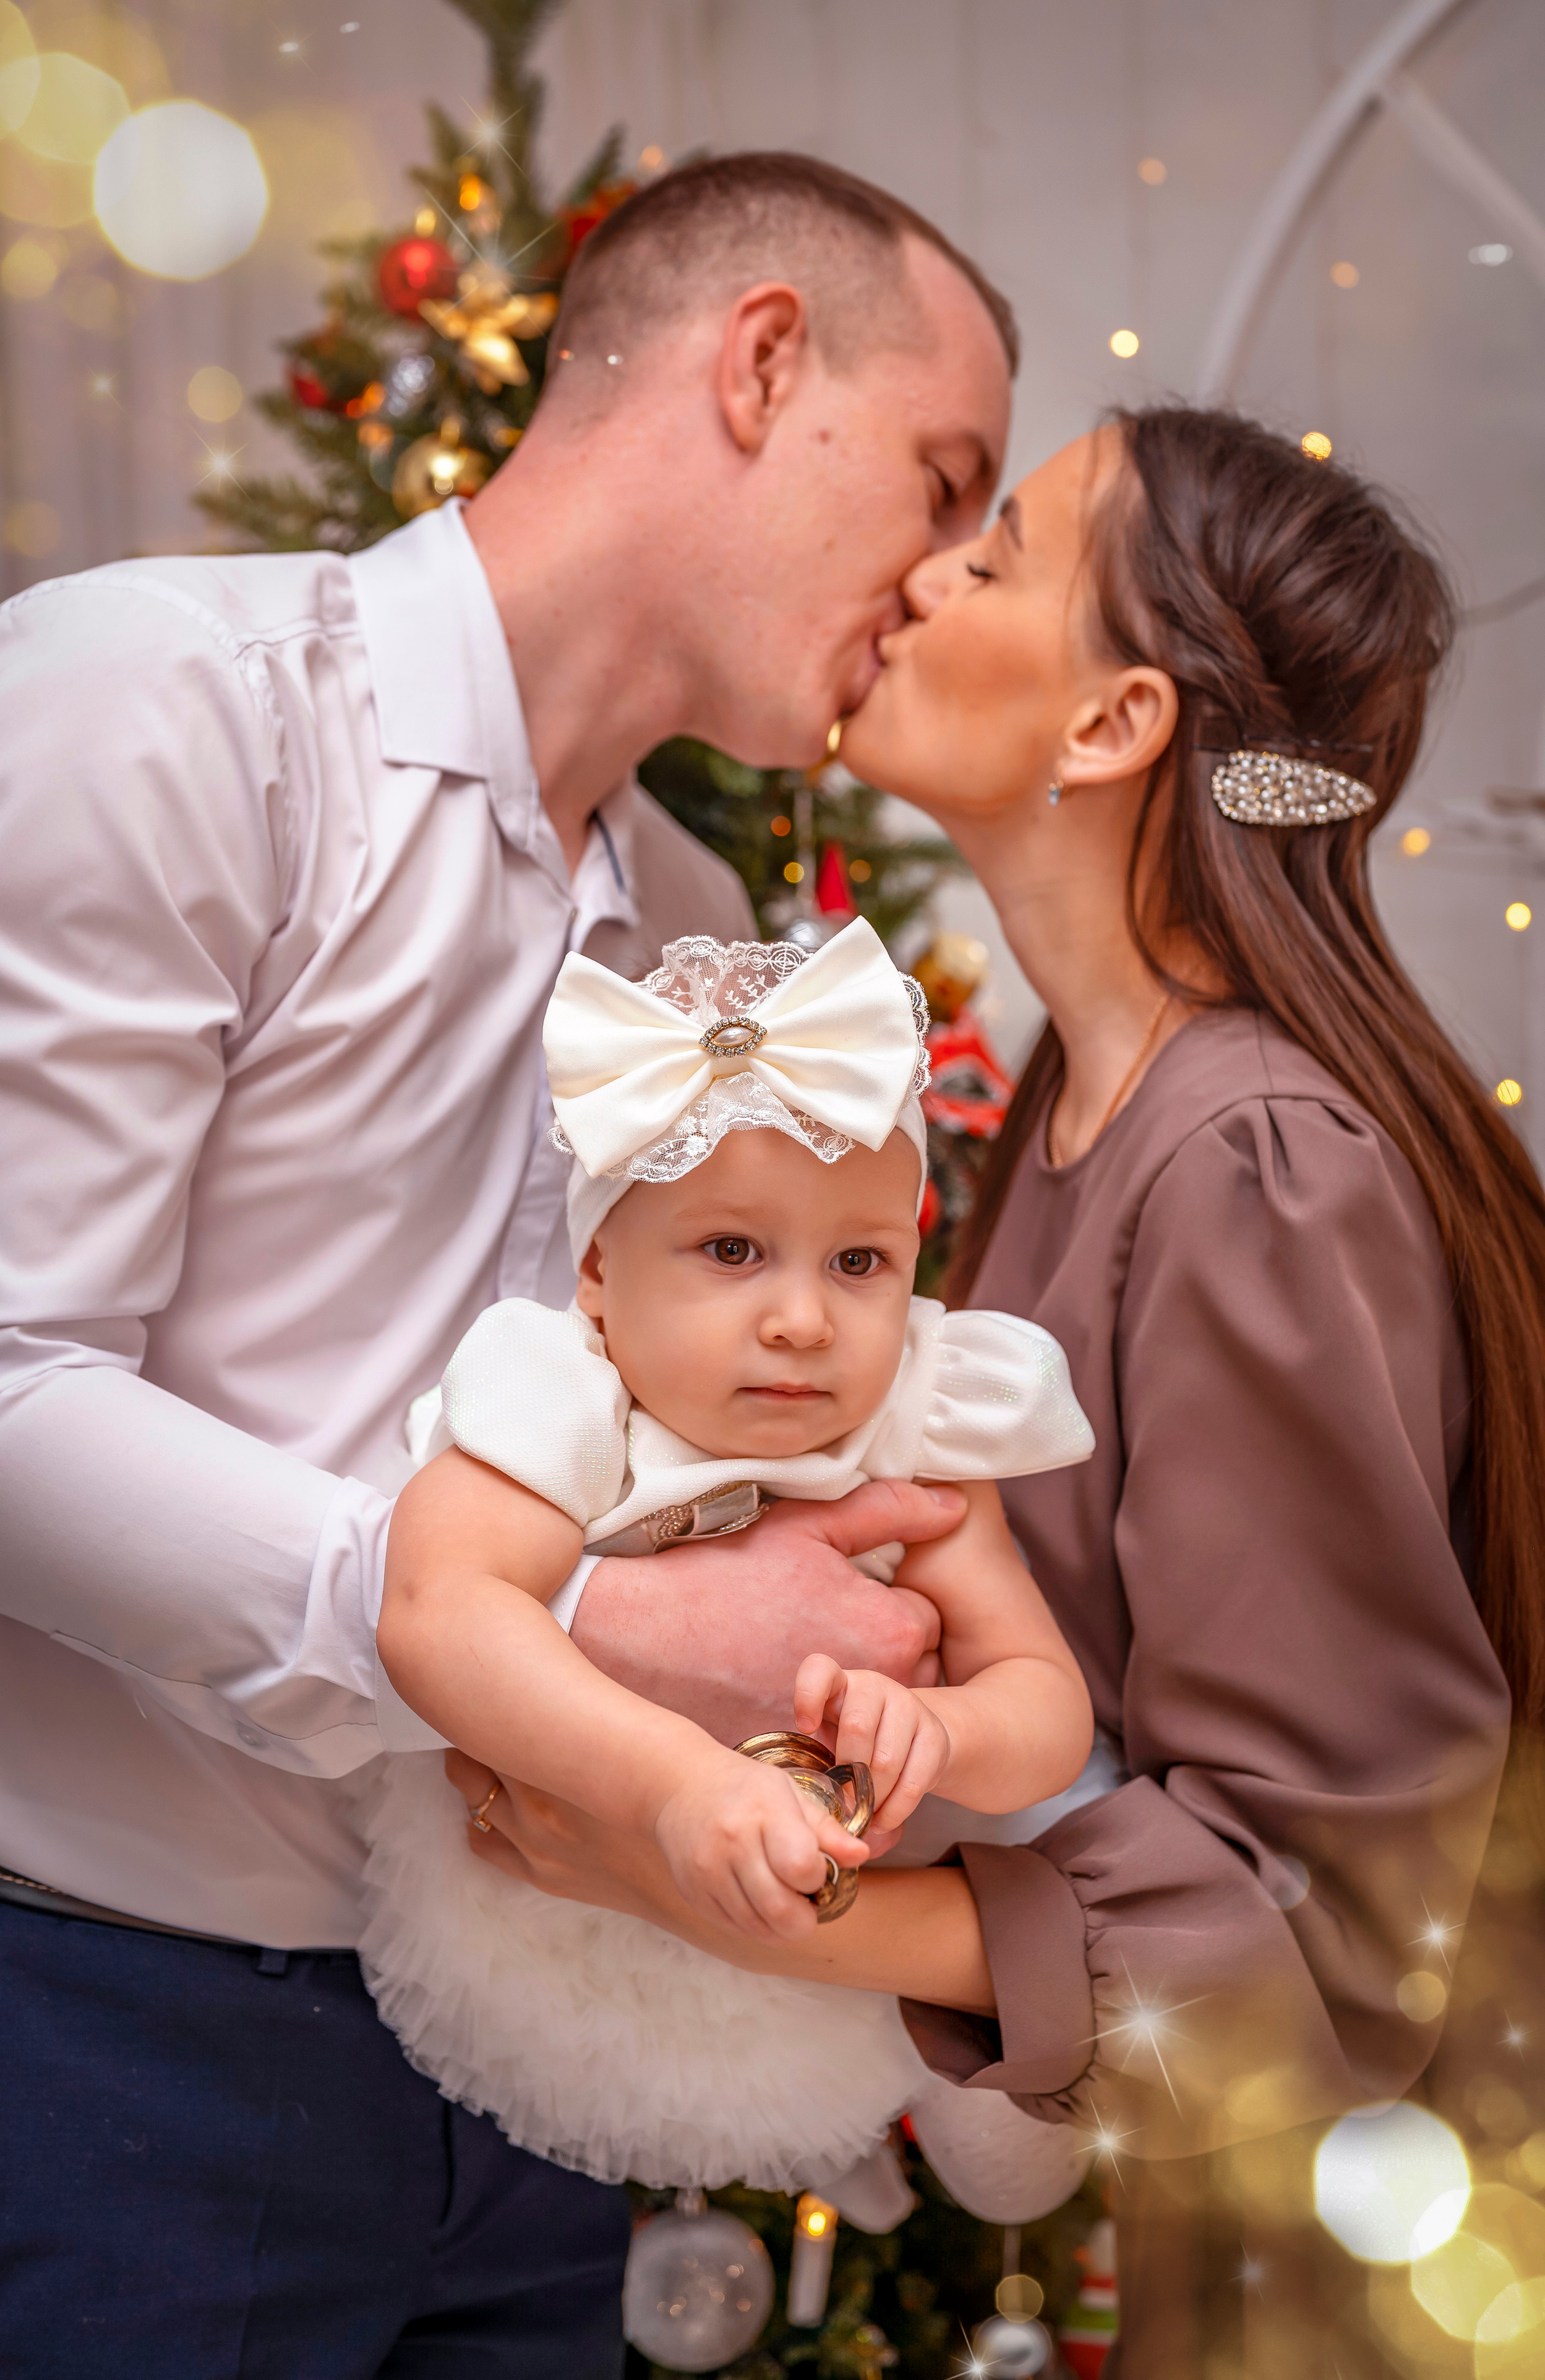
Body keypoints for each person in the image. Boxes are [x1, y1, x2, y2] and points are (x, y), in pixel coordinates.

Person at [0, 155, 1014, 2374]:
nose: (939, 586)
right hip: (99, 2027)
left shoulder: (695, 912)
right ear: (757, 363)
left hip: (532, 2033)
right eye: (944, 480)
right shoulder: (172, 706)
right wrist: (566, 1627)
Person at [448, 406, 1545, 2371]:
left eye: (1001, 548)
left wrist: (720, 1884)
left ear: (1116, 724)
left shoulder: (1255, 1164)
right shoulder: (1071, 1106)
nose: (925, 569)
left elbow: (1342, 1910)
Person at [364, 917, 1097, 2205]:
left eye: (859, 1260)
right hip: (553, 1927)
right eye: (730, 1250)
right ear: (596, 1268)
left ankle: (953, 2111)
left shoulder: (911, 1429)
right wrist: (667, 1785)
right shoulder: (568, 1402)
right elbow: (434, 1610)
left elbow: (1044, 1702)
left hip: (828, 1973)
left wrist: (939, 1725)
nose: (804, 1316)